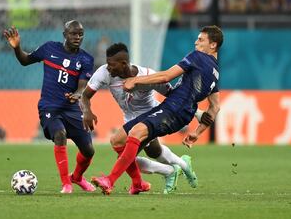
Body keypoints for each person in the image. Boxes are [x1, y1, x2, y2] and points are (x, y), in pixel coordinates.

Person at [91, 25, 223, 195]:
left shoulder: (198, 57)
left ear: (213, 45)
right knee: (118, 141)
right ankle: (175, 168)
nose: (196, 42)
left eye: (201, 39)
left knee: (136, 134)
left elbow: (166, 76)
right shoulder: (216, 73)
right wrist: (197, 133)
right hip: (174, 108)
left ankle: (110, 181)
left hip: (176, 109)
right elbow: (215, 107)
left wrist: (136, 80)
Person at [3, 20, 96, 194]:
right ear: (64, 35)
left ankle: (76, 177)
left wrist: (77, 94)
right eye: (73, 33)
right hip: (49, 107)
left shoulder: (86, 59)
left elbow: (82, 85)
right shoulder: (49, 49)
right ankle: (66, 184)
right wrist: (17, 47)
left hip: (71, 109)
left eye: (80, 34)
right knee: (60, 135)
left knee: (89, 151)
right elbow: (25, 60)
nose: (77, 37)